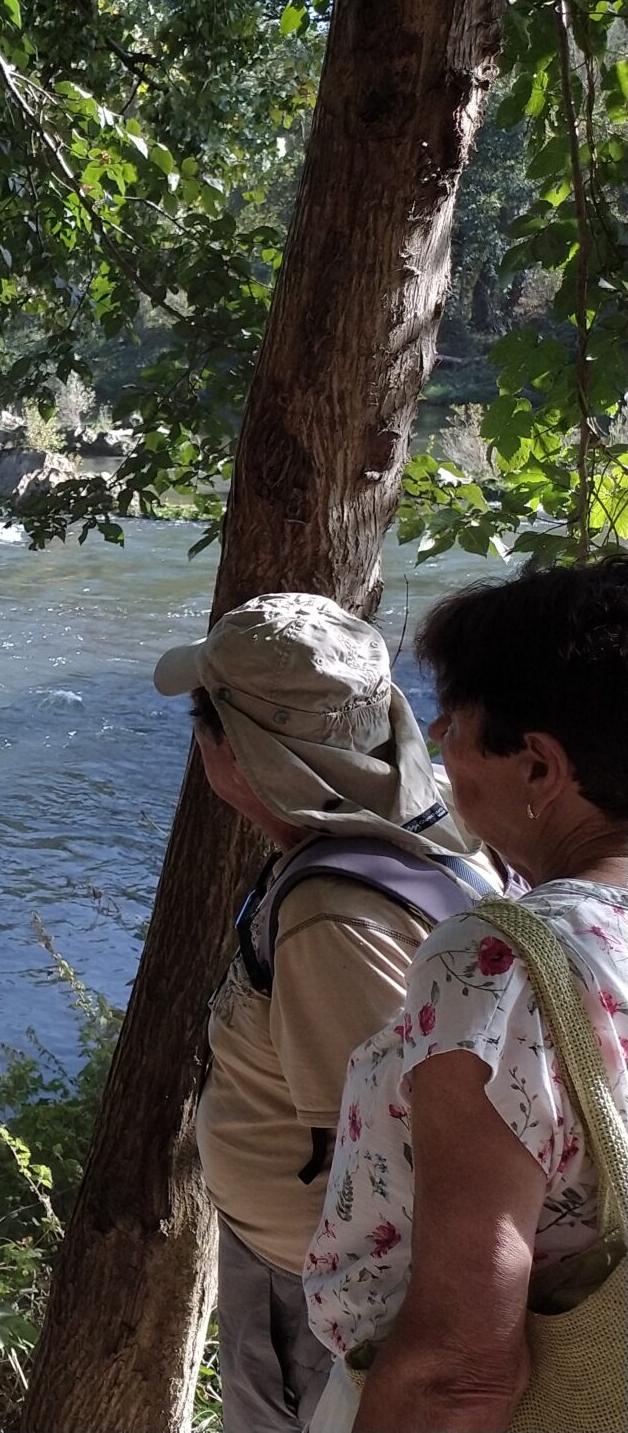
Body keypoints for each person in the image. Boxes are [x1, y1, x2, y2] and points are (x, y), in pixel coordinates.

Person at [151, 593, 498, 1433]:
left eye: (205, 721)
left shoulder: (331, 916)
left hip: (318, 1303)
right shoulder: (437, 824)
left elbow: (396, 1155)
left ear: (232, 750)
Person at [304, 561, 628, 1432]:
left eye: (456, 718)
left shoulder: (501, 962)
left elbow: (464, 1368)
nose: (435, 735)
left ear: (539, 767)